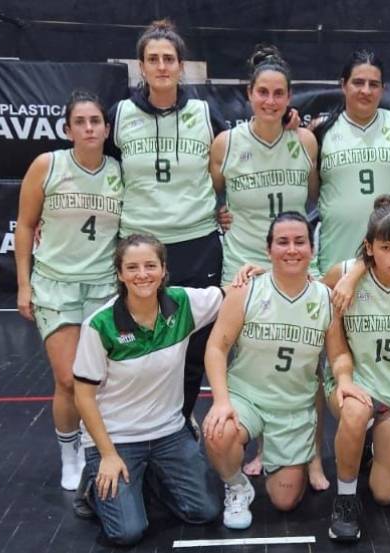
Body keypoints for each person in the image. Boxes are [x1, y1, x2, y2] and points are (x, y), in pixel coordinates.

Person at [201, 212, 358, 531]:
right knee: (219, 432)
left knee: (285, 500)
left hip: (293, 407)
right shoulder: (245, 291)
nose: (292, 249)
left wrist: (343, 379)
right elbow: (216, 347)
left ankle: (290, 457)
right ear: (268, 249)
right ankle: (236, 486)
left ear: (312, 250)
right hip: (247, 397)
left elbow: (339, 353)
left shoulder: (325, 299)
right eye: (282, 242)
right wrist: (221, 401)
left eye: (300, 242)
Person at [108, 19, 226, 427]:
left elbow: (231, 160)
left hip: (196, 241)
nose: (162, 66)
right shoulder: (120, 114)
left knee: (193, 344)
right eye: (153, 59)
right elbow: (101, 169)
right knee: (141, 339)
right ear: (141, 66)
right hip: (140, 245)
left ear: (181, 66)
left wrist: (224, 205)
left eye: (169, 59)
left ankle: (180, 419)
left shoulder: (205, 113)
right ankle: (142, 424)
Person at [73, 234, 222, 545]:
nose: (142, 274)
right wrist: (108, 455)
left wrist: (256, 273)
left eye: (150, 265)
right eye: (132, 267)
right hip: (117, 438)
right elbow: (83, 397)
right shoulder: (99, 325)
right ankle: (92, 483)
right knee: (127, 533)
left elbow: (233, 294)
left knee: (205, 511)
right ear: (119, 273)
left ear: (164, 270)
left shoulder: (184, 303)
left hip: (169, 433)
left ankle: (148, 478)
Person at [15, 90, 123, 491]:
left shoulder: (120, 171)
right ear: (67, 129)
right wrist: (23, 284)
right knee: (67, 378)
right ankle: (69, 452)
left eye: (95, 121)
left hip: (103, 285)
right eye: (80, 122)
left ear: (107, 129)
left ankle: (100, 446)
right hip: (54, 283)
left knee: (99, 379)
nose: (89, 128)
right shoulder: (48, 165)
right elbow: (25, 225)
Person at [320, 195, 390, 542]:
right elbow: (307, 294)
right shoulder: (341, 275)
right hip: (355, 383)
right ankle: (345, 500)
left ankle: (365, 446)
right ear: (369, 248)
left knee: (384, 494)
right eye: (385, 248)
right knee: (355, 413)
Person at [210, 44, 319, 285]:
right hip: (242, 267)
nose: (270, 101)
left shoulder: (306, 142)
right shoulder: (226, 144)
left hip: (297, 265)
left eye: (279, 93)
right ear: (249, 93)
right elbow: (209, 197)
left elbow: (314, 197)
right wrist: (218, 212)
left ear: (289, 97)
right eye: (262, 92)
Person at [313, 49, 390, 274]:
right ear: (343, 85)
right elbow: (312, 193)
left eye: (374, 84)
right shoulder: (320, 129)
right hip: (337, 255)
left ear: (383, 89)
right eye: (358, 82)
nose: (366, 91)